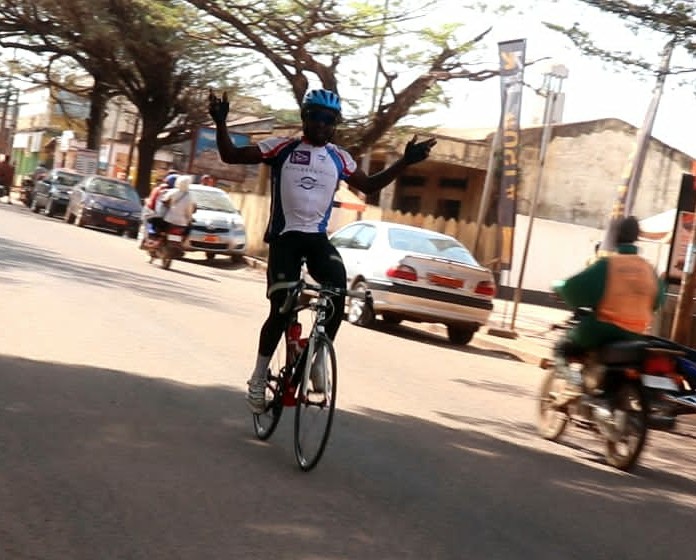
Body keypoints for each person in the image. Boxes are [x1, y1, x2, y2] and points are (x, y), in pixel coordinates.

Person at [208, 87, 437, 412]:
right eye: (316, 116)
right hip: (285, 239)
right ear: (305, 117)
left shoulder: (339, 157)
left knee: (337, 295)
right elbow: (231, 156)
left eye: (329, 119)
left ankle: (314, 359)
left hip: (317, 240)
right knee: (282, 308)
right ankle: (258, 378)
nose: (322, 124)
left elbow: (369, 185)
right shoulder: (281, 147)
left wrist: (405, 162)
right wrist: (220, 123)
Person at [552, 215, 666, 396]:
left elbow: (575, 288)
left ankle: (573, 384)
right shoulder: (649, 269)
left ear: (616, 236)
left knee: (562, 347)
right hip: (637, 334)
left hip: (603, 329)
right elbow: (658, 300)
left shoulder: (608, 264)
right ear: (636, 237)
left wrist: (558, 287)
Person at [159, 174, 196, 239]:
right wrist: (190, 219)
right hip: (182, 223)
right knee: (189, 230)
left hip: (169, 220)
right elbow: (189, 212)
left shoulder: (172, 192)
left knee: (162, 234)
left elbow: (163, 202)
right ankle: (184, 242)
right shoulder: (189, 197)